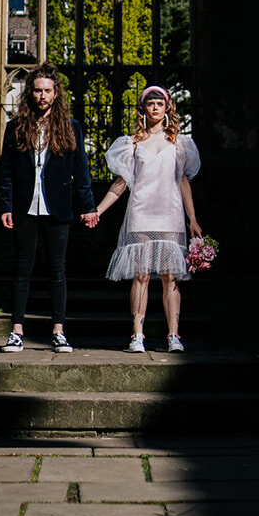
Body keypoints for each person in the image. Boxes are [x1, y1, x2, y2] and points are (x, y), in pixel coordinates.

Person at [0, 62, 98, 352]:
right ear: (30, 93)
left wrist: (88, 207)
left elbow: (82, 172)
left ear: (56, 94)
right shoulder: (15, 127)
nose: (42, 96)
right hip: (24, 208)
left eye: (47, 91)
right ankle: (16, 331)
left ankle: (58, 330)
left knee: (57, 271)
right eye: (38, 90)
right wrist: (5, 205)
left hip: (58, 208)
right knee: (22, 270)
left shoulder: (70, 127)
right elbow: (6, 171)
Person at [94, 84, 201, 353]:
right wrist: (98, 210)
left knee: (169, 276)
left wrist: (193, 219)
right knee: (140, 275)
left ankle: (173, 335)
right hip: (141, 212)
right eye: (150, 104)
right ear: (143, 109)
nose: (155, 108)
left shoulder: (180, 143)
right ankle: (137, 334)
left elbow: (184, 182)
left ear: (167, 108)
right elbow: (121, 184)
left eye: (160, 103)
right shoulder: (132, 143)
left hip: (170, 213)